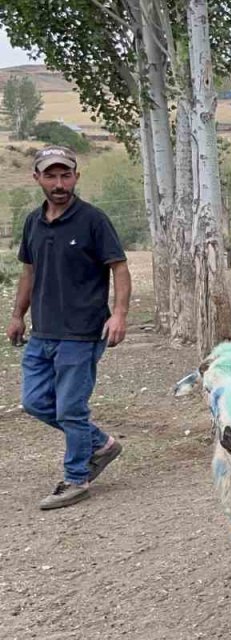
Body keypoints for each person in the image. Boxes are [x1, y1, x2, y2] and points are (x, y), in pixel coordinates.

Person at [7, 145, 131, 510]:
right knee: (34, 401)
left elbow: (119, 267)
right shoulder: (33, 221)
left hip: (82, 333)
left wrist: (119, 314)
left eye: (65, 175)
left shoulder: (93, 220)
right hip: (43, 332)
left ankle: (76, 478)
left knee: (71, 410)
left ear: (76, 176)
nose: (59, 184)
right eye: (51, 176)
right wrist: (17, 315)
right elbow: (28, 271)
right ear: (37, 178)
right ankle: (102, 444)